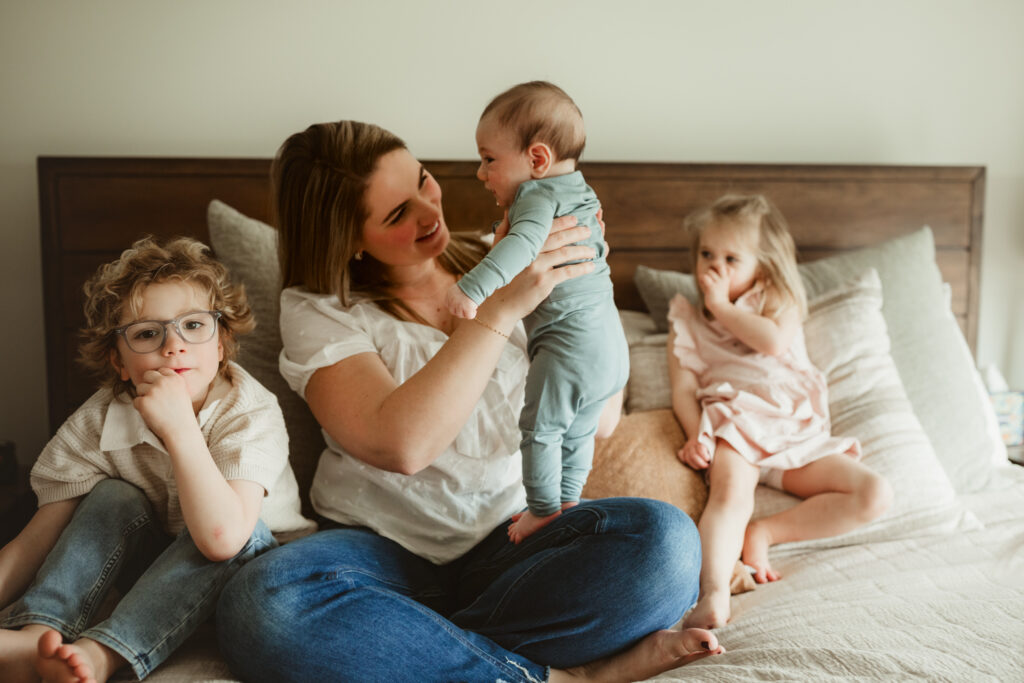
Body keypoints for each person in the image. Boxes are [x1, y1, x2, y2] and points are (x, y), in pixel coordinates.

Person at [215, 120, 724, 683]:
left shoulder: (507, 253)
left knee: (667, 544)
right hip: (381, 554)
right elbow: (404, 447)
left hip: (515, 545)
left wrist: (589, 291)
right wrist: (499, 311)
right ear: (347, 239)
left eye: (422, 181)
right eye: (397, 214)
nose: (429, 212)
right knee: (262, 605)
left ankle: (419, 648)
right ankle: (550, 675)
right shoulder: (319, 308)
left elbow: (600, 420)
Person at [0, 237, 311, 683]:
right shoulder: (99, 421)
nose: (173, 345)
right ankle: (37, 636)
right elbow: (36, 540)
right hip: (154, 576)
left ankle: (102, 653)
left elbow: (222, 540)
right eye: (147, 333)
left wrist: (180, 427)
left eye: (193, 326)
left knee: (240, 533)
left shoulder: (250, 412)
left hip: (250, 575)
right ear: (119, 362)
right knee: (111, 496)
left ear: (221, 344)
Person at [667, 194, 893, 630]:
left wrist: (722, 306)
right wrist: (698, 435)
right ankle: (713, 592)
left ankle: (766, 532)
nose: (714, 267)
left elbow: (771, 342)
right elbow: (684, 389)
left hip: (795, 433)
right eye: (706, 254)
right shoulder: (686, 320)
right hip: (735, 425)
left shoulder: (780, 299)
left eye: (732, 259)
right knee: (729, 496)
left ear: (765, 265)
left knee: (874, 493)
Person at [445, 81, 629, 543]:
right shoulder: (581, 192)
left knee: (540, 430)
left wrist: (471, 289)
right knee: (577, 434)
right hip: (610, 348)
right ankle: (567, 501)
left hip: (569, 347)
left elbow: (521, 248)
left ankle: (544, 509)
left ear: (538, 159)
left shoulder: (537, 196)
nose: (481, 174)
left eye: (489, 159)